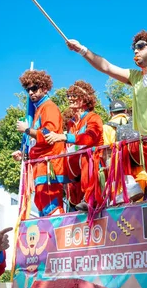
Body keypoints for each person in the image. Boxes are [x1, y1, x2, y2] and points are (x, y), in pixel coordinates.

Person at [66, 30, 147, 195]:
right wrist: (82, 50)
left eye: (140, 46)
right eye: (134, 48)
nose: (135, 51)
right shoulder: (136, 77)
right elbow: (106, 67)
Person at [12, 70, 66, 217]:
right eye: (28, 89)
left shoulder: (49, 107)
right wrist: (24, 154)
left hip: (50, 166)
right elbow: (36, 142)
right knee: (42, 204)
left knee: (51, 206)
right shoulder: (38, 111)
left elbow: (50, 135)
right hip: (40, 166)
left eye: (34, 88)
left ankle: (55, 236)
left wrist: (27, 130)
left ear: (44, 88)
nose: (31, 92)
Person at [44, 80, 105, 211]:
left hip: (91, 171)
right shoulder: (71, 124)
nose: (70, 99)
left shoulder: (94, 118)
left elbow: (90, 137)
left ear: (84, 99)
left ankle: (90, 200)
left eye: (74, 95)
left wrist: (64, 137)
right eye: (69, 95)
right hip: (74, 179)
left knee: (85, 160)